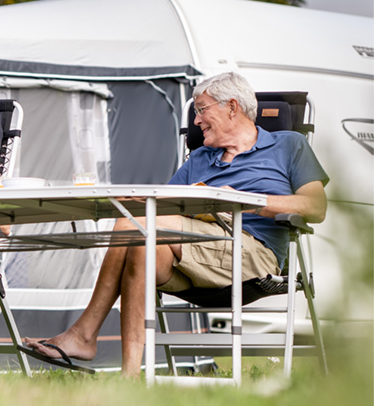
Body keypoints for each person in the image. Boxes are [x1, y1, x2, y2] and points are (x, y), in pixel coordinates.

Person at [21, 72, 329, 376]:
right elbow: (164, 206)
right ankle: (129, 379)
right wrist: (127, 201)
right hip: (198, 253)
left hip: (252, 253)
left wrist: (247, 200)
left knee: (138, 225)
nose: (196, 121)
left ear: (232, 107)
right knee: (139, 237)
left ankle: (84, 334)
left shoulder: (289, 145)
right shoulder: (201, 158)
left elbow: (316, 207)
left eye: (202, 109)